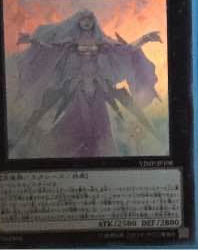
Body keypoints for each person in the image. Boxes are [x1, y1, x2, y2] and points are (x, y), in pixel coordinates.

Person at [9, 9, 162, 158]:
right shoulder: (71, 42)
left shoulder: (102, 41)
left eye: (90, 19)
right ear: (78, 21)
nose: (87, 22)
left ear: (93, 22)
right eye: (83, 19)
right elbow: (50, 49)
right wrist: (32, 40)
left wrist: (146, 38)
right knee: (71, 123)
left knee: (101, 127)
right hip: (77, 87)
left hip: (98, 87)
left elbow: (126, 49)